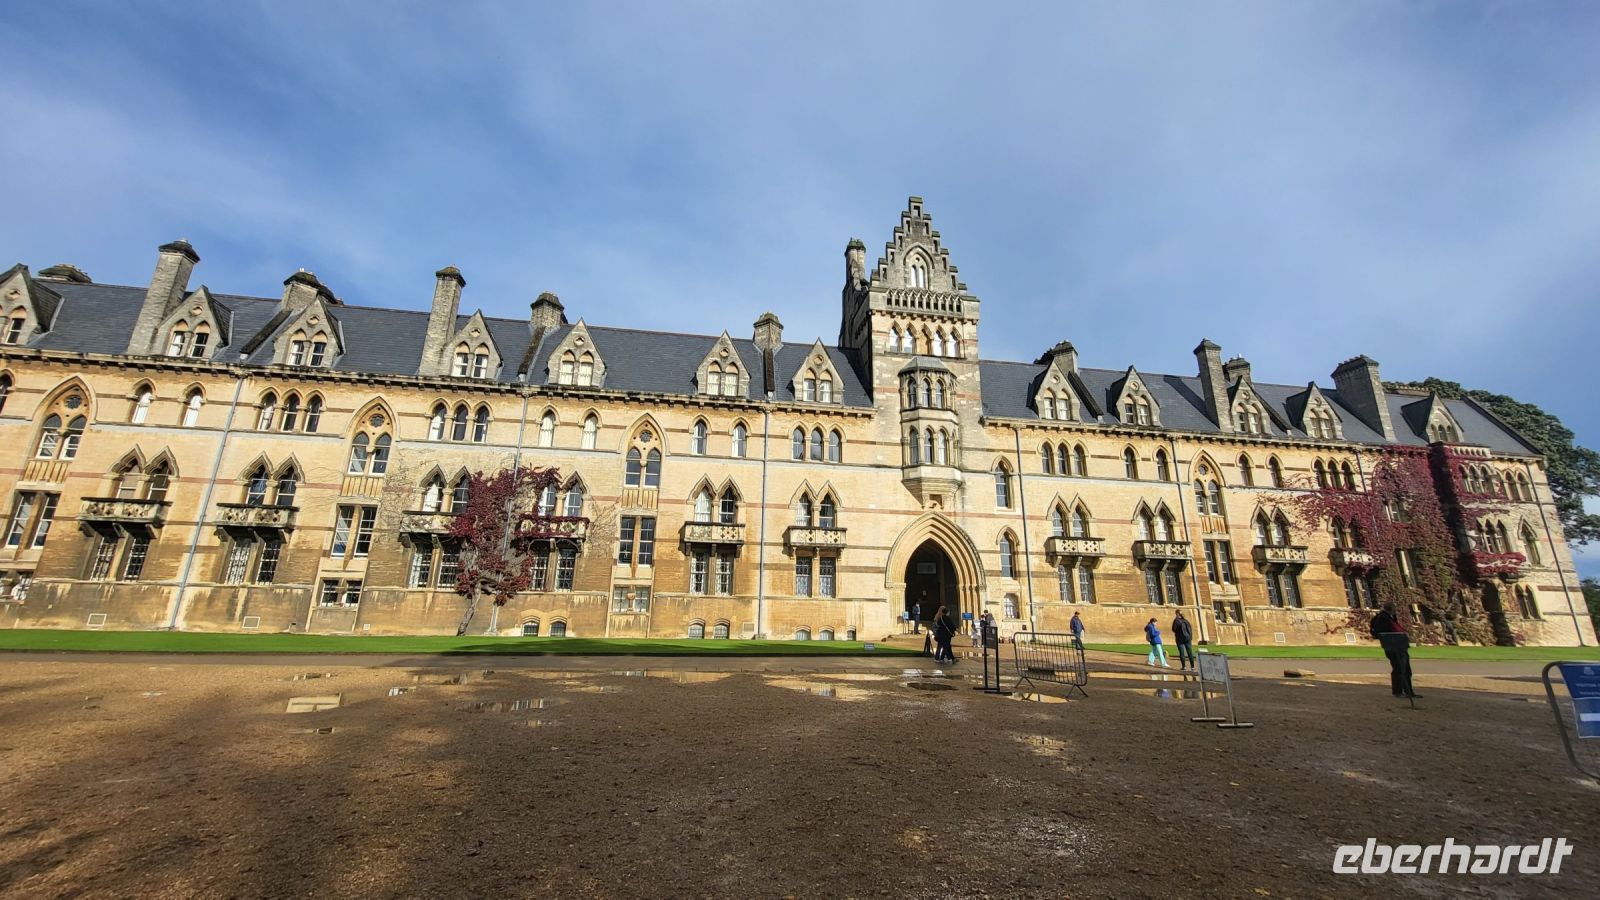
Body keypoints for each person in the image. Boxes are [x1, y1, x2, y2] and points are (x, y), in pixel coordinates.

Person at [1370, 602, 1417, 698]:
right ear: (1392, 608)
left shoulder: (1389, 617)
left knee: (1405, 670)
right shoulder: (1383, 618)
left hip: (1398, 645)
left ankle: (1407, 691)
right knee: (1400, 669)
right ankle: (1399, 691)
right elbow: (1382, 633)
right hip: (1393, 646)